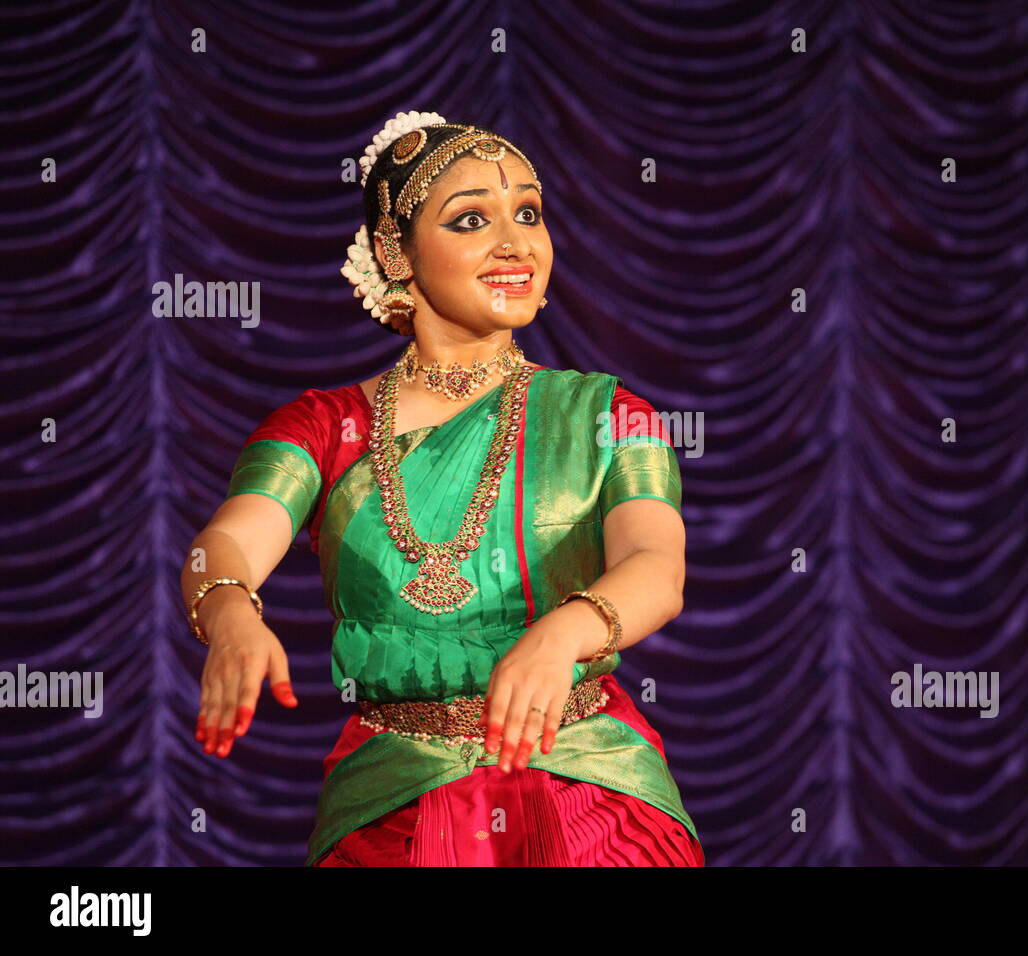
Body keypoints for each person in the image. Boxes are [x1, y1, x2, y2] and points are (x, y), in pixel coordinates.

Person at [179, 110, 703, 866]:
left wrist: (563, 636)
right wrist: (228, 610)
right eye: (470, 220)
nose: (517, 243)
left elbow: (659, 567)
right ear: (396, 252)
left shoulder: (608, 415)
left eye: (528, 212)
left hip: (593, 789)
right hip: (395, 795)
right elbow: (221, 544)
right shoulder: (328, 427)